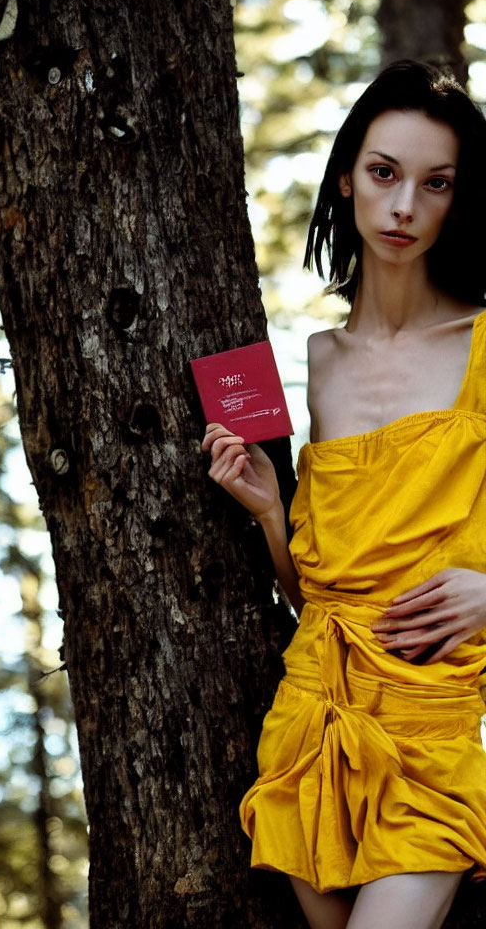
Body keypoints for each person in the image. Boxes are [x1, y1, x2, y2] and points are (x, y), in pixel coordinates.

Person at [202, 60, 486, 929]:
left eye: (435, 184)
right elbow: (319, 591)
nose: (404, 207)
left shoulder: (484, 343)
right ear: (346, 177)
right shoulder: (320, 361)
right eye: (384, 173)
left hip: (430, 719)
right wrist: (270, 517)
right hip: (314, 716)